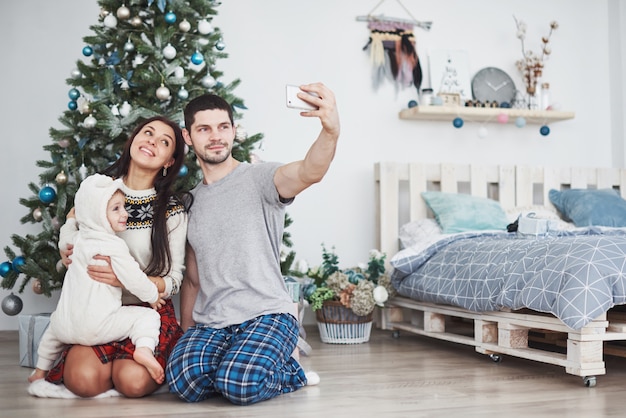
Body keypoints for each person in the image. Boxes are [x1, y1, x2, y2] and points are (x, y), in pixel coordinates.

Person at [166, 82, 340, 405]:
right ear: (188, 137)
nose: (215, 136)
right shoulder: (189, 202)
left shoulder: (260, 178)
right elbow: (192, 278)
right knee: (182, 381)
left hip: (267, 314)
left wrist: (330, 131)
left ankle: (290, 368)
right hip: (214, 323)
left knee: (238, 385)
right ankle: (240, 364)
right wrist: (186, 333)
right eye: (204, 129)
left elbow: (309, 171)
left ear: (233, 131)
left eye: (222, 127)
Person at [45, 116, 190, 398]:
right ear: (133, 140)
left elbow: (175, 280)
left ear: (169, 161)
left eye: (164, 141)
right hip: (95, 311)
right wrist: (68, 251)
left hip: (146, 312)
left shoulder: (171, 209)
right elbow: (71, 231)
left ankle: (129, 361)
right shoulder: (97, 190)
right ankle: (107, 362)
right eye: (147, 133)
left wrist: (124, 279)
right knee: (82, 381)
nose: (152, 141)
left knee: (132, 383)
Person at [29, 174, 164, 385]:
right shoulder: (112, 245)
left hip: (66, 325)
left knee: (53, 329)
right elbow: (135, 278)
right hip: (97, 326)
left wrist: (71, 220)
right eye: (116, 208)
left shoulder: (76, 240)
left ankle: (40, 370)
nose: (125, 214)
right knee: (147, 318)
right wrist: (153, 295)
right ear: (98, 214)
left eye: (124, 207)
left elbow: (64, 237)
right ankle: (144, 350)